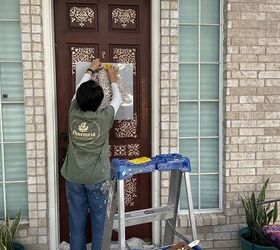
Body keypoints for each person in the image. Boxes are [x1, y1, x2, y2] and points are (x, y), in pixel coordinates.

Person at [61, 58, 122, 250]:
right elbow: (118, 100)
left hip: (73, 177)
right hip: (97, 179)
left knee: (76, 223)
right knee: (99, 223)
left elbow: (77, 91)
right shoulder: (104, 118)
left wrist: (89, 70)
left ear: (78, 99)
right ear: (99, 103)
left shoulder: (73, 111)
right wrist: (113, 79)